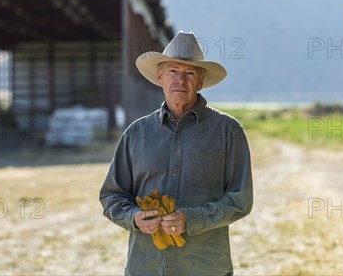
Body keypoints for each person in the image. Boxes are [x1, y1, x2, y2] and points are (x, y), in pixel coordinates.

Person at [99, 31, 253, 275]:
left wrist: (191, 219)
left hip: (205, 267)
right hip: (145, 266)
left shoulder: (227, 131)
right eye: (173, 71)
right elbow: (112, 196)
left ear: (200, 82)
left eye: (189, 73)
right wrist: (134, 217)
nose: (180, 80)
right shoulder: (136, 133)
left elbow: (240, 200)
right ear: (160, 77)